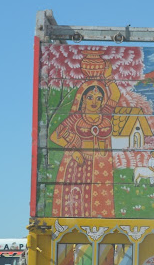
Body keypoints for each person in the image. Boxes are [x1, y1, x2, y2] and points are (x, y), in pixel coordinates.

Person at [50, 57, 120, 218]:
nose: (94, 101)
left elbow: (115, 95)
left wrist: (108, 77)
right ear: (83, 99)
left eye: (99, 98)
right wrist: (72, 149)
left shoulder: (106, 116)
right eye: (90, 97)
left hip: (102, 169)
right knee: (78, 205)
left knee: (101, 206)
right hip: (79, 166)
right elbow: (55, 136)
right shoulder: (75, 119)